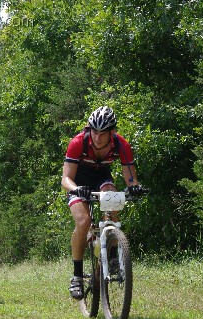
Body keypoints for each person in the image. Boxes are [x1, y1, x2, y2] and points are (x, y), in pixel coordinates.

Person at [61, 106, 145, 299]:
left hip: (101, 179)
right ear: (89, 129)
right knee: (83, 222)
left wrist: (134, 186)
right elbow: (66, 179)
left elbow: (131, 177)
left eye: (103, 133)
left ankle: (113, 254)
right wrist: (75, 189)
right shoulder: (78, 142)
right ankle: (77, 276)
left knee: (113, 199)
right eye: (95, 132)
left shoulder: (121, 144)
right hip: (78, 183)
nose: (98, 138)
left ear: (112, 132)